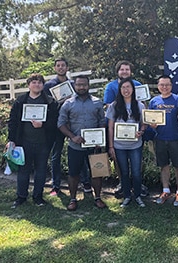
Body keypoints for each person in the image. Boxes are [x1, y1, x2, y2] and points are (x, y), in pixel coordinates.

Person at [8, 73, 58, 208]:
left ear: (43, 85)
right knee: (23, 170)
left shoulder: (50, 101)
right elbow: (12, 121)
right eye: (34, 82)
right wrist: (11, 140)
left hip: (43, 143)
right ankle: (21, 197)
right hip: (24, 142)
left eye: (40, 82)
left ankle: (38, 197)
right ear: (29, 84)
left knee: (41, 171)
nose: (37, 85)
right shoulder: (21, 101)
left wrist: (43, 124)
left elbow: (54, 122)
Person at [58, 75, 107, 211]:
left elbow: (102, 122)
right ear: (74, 86)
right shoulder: (68, 103)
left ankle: (97, 197)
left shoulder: (97, 102)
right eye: (79, 85)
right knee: (73, 174)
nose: (81, 87)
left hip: (94, 145)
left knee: (97, 172)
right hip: (75, 145)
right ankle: (73, 199)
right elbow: (61, 124)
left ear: (88, 85)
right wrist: (72, 137)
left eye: (84, 84)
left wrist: (100, 139)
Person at [43, 58, 91, 196]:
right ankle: (56, 185)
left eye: (63, 65)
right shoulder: (49, 85)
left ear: (67, 67)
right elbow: (47, 106)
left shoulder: (73, 84)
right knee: (56, 155)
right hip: (57, 125)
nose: (61, 68)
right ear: (54, 68)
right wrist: (58, 103)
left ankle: (85, 182)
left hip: (74, 124)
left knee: (80, 152)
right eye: (58, 66)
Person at [103, 60, 148, 197]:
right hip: (118, 131)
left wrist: (143, 127)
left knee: (137, 161)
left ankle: (137, 184)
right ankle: (123, 183)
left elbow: (144, 105)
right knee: (119, 160)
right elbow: (106, 106)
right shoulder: (111, 87)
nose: (124, 72)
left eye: (127, 69)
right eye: (122, 69)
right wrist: (119, 106)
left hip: (135, 132)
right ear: (117, 71)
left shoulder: (138, 85)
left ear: (131, 72)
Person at [149, 75, 178, 206]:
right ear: (158, 86)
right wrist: (151, 125)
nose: (164, 87)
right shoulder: (154, 101)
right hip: (160, 138)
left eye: (167, 85)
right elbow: (150, 119)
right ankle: (166, 190)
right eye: (162, 85)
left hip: (175, 138)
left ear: (171, 86)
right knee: (163, 165)